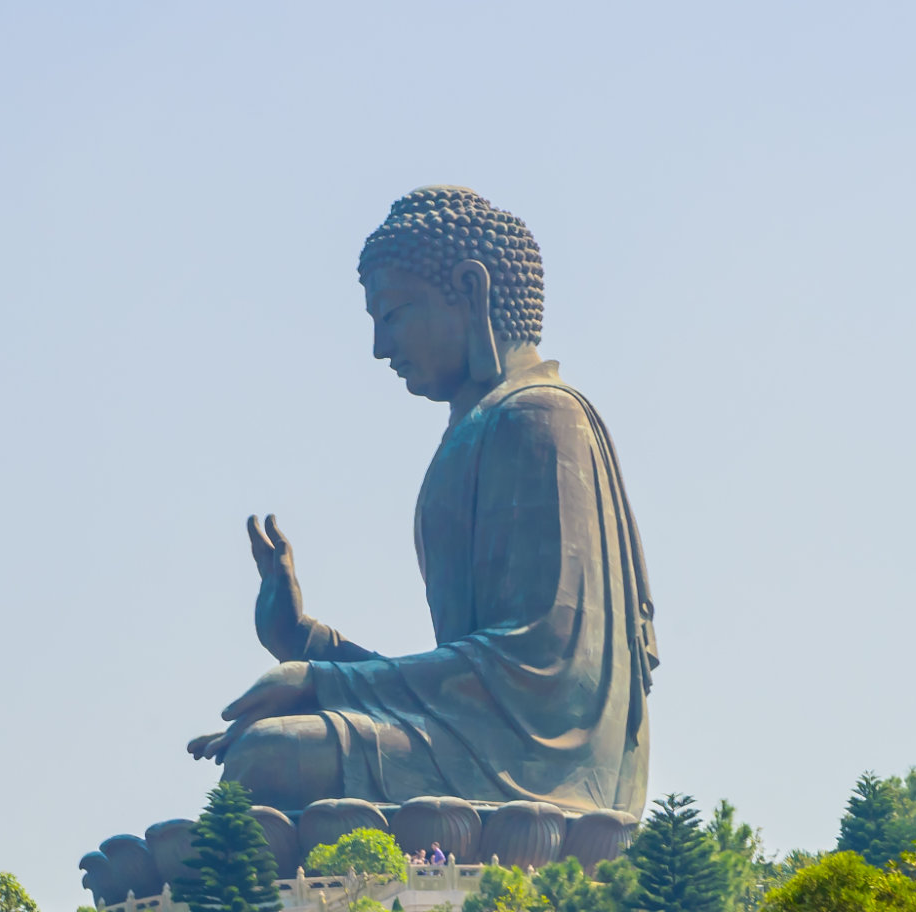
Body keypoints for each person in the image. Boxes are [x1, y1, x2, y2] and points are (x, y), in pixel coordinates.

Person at [188, 186, 656, 817]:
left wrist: (323, 682)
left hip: (543, 768)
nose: (382, 348)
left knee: (264, 759)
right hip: (479, 742)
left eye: (396, 314)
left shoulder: (540, 418)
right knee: (259, 759)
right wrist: (308, 644)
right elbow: (466, 682)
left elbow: (536, 669)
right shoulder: (481, 427)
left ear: (471, 288)